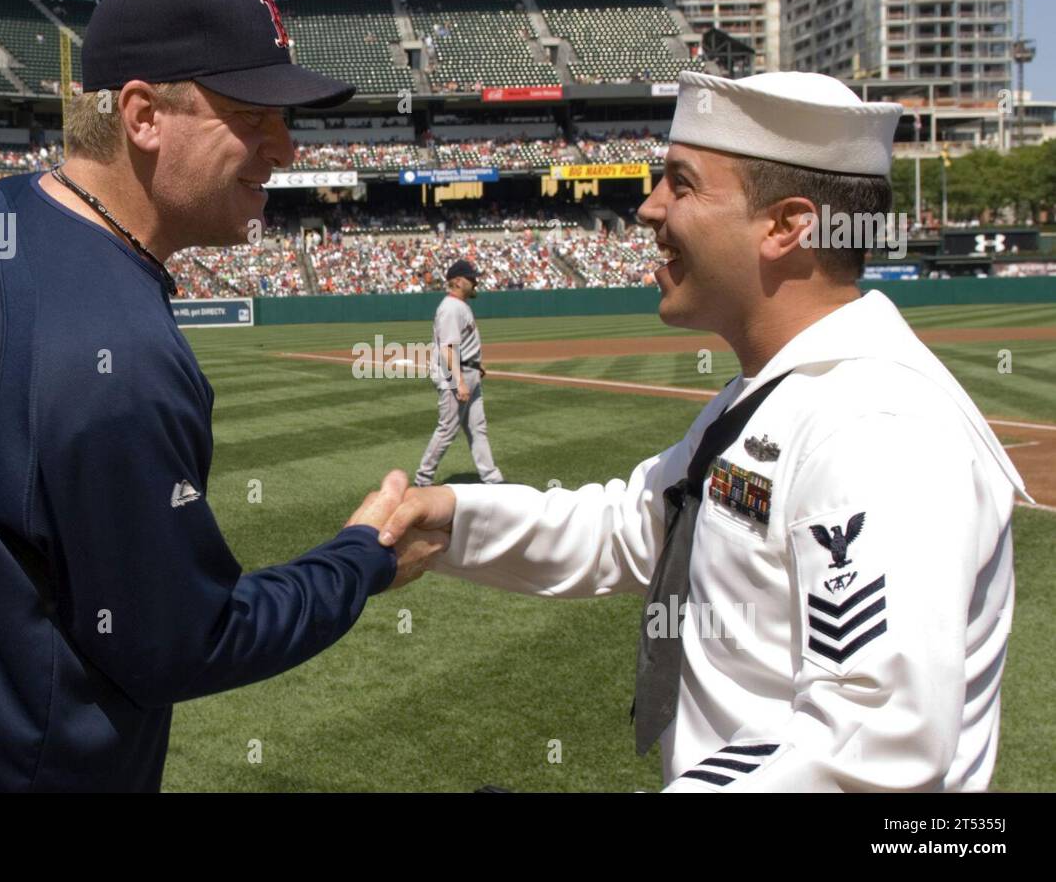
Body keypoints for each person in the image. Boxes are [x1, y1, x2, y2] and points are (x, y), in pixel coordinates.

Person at [0, 0, 438, 792]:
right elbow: (181, 643)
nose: (286, 147)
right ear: (143, 116)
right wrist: (359, 560)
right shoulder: (119, 350)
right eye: (253, 114)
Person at [378, 71, 1029, 792]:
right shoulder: (770, 394)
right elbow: (633, 529)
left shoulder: (877, 429)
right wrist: (449, 523)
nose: (650, 209)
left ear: (786, 226)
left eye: (680, 185)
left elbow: (872, 751)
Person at [414, 259, 504, 488]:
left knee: (478, 428)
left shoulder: (460, 306)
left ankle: (492, 479)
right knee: (447, 430)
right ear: (457, 281)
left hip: (467, 371)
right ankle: (422, 480)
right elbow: (448, 348)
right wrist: (459, 382)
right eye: (471, 278)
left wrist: (475, 365)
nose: (475, 282)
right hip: (456, 375)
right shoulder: (451, 308)